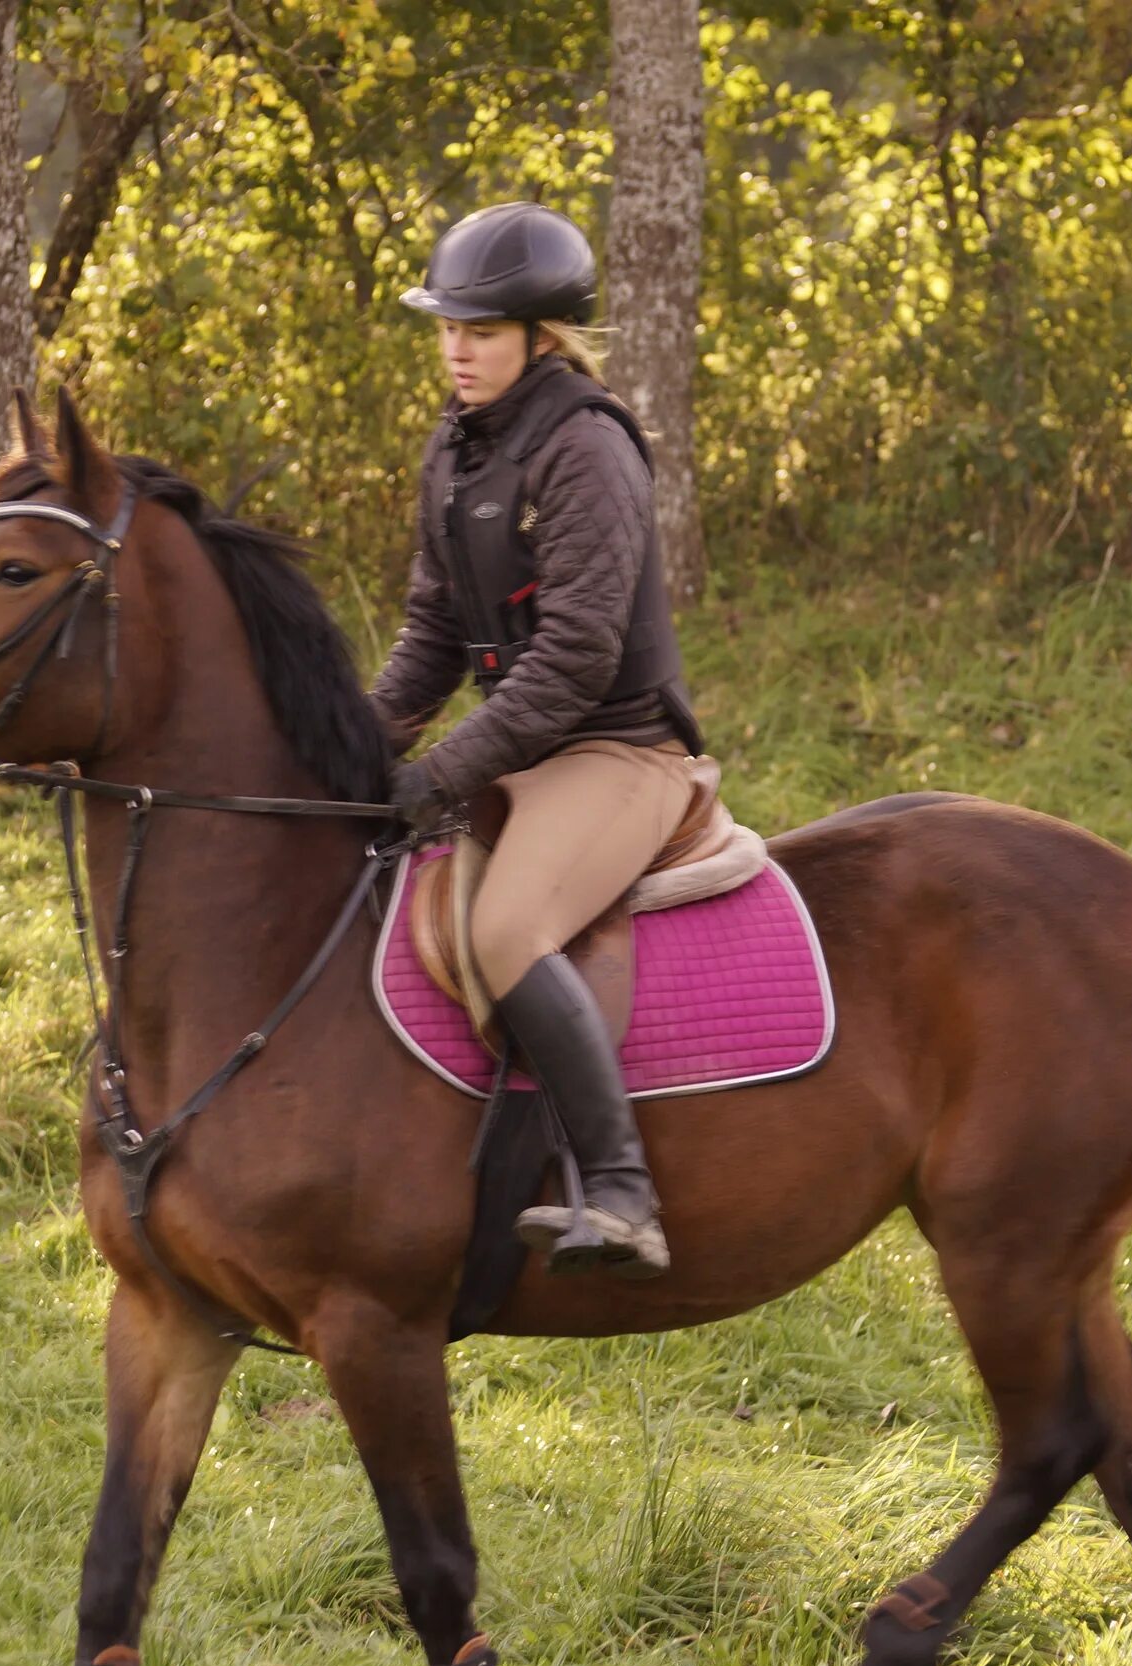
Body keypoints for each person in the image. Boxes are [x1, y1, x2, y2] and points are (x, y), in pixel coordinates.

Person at [376, 201, 708, 1281]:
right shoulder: (458, 447)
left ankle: (622, 1187)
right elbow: (434, 629)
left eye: (479, 330)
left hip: (621, 752)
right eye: (447, 328)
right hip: (532, 750)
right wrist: (356, 749)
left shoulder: (586, 447)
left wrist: (441, 774)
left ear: (541, 336)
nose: (456, 349)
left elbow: (570, 663)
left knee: (510, 925)